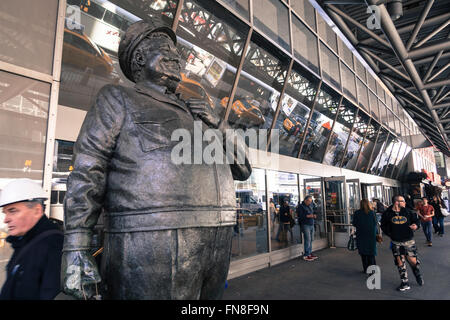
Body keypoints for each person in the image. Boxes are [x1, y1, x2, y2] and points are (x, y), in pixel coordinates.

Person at [61, 19, 251, 300]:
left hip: (216, 241)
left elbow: (243, 168)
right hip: (152, 244)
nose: (177, 58)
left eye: (177, 53)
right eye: (166, 50)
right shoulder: (117, 99)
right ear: (139, 57)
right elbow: (88, 170)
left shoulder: (198, 113)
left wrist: (217, 124)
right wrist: (76, 246)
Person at [0, 179, 63, 300]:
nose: (6, 219)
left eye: (13, 211)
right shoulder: (23, 242)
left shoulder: (53, 245)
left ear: (37, 211)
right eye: (5, 212)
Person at [380, 195, 423, 291]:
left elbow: (416, 221)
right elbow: (383, 225)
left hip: (409, 241)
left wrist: (416, 225)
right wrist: (391, 233)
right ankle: (405, 282)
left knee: (413, 262)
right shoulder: (387, 213)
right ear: (396, 202)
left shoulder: (408, 211)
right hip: (396, 242)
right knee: (400, 262)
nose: (405, 203)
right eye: (403, 201)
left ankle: (417, 273)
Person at [352, 199, 379, 273]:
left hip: (361, 234)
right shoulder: (372, 213)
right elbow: (375, 223)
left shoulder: (357, 213)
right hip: (371, 235)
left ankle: (366, 269)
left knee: (363, 252)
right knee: (371, 252)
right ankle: (373, 269)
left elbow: (354, 223)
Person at [297, 196, 317, 261]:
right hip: (305, 224)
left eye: (311, 201)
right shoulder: (301, 206)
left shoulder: (310, 206)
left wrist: (314, 215)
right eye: (309, 201)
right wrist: (310, 216)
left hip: (311, 224)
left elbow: (313, 211)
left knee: (311, 239)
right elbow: (300, 216)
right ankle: (306, 254)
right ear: (305, 200)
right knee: (307, 239)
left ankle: (309, 253)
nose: (310, 203)